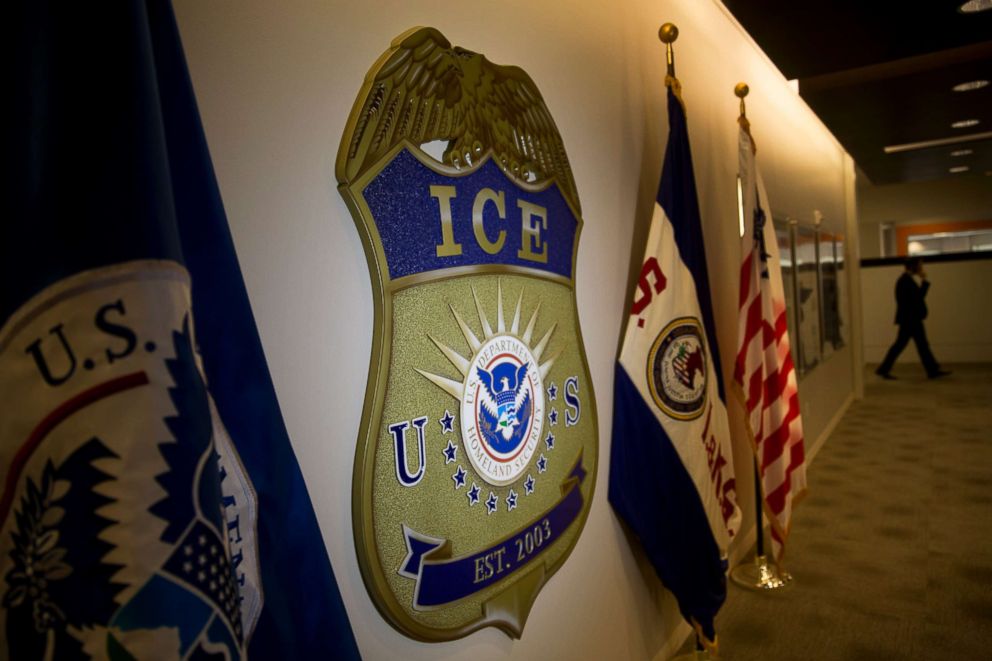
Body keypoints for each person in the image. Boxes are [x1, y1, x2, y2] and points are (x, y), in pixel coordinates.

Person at [875, 257, 950, 379]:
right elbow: (917, 299)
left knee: (912, 345)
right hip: (911, 320)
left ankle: (932, 370)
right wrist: (924, 281)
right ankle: (932, 370)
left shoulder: (905, 280)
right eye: (920, 266)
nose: (921, 268)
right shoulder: (905, 281)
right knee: (914, 345)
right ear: (913, 266)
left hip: (909, 319)